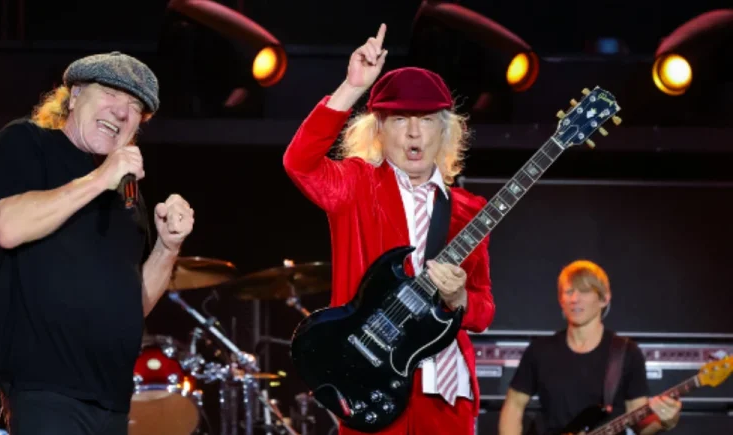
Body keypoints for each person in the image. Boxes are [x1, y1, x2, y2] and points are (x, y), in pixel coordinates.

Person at [283, 23, 494, 435]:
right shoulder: (356, 185)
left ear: (444, 130)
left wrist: (460, 298)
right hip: (371, 383)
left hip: (446, 392)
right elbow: (299, 163)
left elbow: (484, 308)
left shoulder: (469, 210)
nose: (414, 132)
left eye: (427, 120)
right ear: (378, 129)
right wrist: (351, 87)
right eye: (400, 119)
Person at [0, 51, 195, 434]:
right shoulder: (27, 141)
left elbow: (133, 306)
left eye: (135, 108)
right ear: (75, 95)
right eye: (111, 93)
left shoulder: (128, 194)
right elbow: (10, 226)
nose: (122, 112)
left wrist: (167, 247)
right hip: (44, 389)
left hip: (111, 396)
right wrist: (99, 179)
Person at [498, 260, 682, 435]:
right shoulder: (540, 350)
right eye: (569, 291)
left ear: (604, 299)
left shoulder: (626, 353)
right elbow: (513, 406)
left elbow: (639, 424)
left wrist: (665, 421)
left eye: (584, 291)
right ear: (560, 299)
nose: (574, 299)